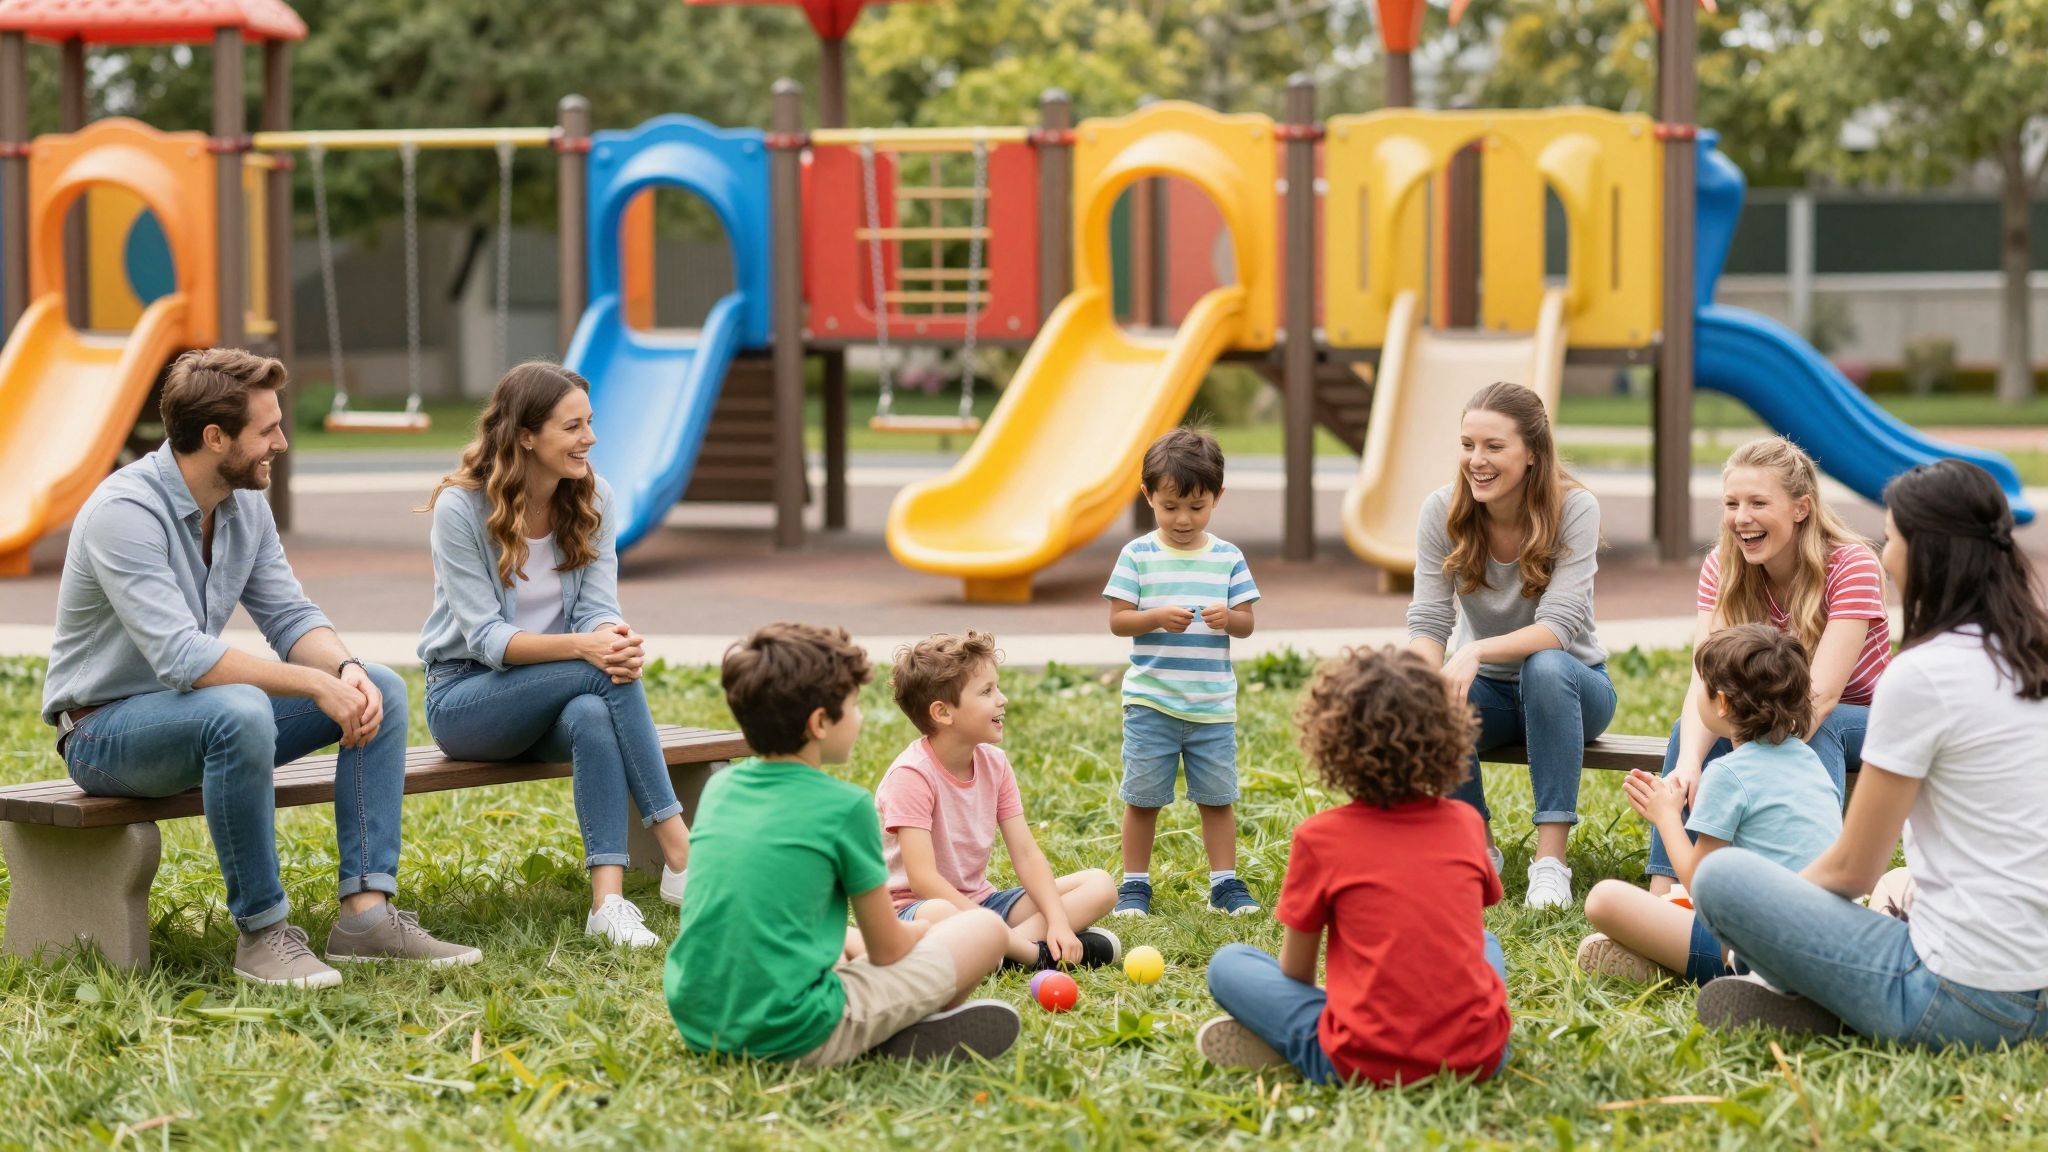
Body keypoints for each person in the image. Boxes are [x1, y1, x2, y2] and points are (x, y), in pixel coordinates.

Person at [42, 348, 477, 988]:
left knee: (377, 685)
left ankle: (365, 915)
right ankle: (263, 934)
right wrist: (313, 685)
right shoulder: (123, 513)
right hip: (106, 734)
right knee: (240, 709)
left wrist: (345, 668)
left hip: (197, 716)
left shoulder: (243, 506)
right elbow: (182, 657)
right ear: (215, 437)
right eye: (267, 429)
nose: (281, 440)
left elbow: (291, 616)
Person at [1690, 460, 2048, 1045]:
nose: (1885, 553)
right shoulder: (2033, 656)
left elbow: (1853, 867)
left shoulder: (1922, 675)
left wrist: (1768, 922)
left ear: (1924, 552)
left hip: (1958, 997)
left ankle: (1820, 995)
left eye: (1893, 536)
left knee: (1724, 879)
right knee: (1901, 887)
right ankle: (1838, 998)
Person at [419, 362, 690, 949]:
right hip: (467, 699)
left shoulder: (593, 497)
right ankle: (681, 850)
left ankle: (608, 903)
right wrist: (586, 649)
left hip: (559, 696)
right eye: (573, 427)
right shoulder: (461, 509)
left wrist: (611, 637)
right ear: (525, 435)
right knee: (597, 674)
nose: (589, 439)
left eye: (589, 424)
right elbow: (487, 639)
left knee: (596, 705)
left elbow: (596, 607)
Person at [666, 623, 1018, 1065]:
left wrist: (853, 945)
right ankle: (888, 1033)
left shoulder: (720, 790)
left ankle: (887, 1024)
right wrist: (928, 930)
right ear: (819, 723)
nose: (860, 717)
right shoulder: (845, 807)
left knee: (848, 942)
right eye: (853, 706)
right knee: (982, 929)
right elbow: (890, 948)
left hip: (700, 1020)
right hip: (796, 1034)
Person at [1196, 646, 1510, 1085]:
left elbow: (1297, 975)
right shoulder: (1465, 823)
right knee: (1487, 943)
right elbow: (1464, 930)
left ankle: (1295, 1044)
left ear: (1330, 742)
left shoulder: (1320, 837)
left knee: (1228, 963)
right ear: (1448, 734)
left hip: (1360, 1063)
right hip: (1479, 1059)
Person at [1647, 437, 1887, 897]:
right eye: (1732, 503)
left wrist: (1748, 764)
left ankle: (1815, 886)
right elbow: (1707, 677)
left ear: (1801, 508)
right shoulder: (1722, 565)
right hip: (1771, 713)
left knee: (1826, 724)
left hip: (1859, 716)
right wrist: (1691, 762)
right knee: (1690, 727)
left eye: (1758, 502)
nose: (1741, 517)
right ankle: (1667, 890)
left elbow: (1822, 696)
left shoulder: (1851, 564)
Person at [1408, 381, 1611, 909]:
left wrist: (1473, 651)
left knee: (1545, 665)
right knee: (1430, 694)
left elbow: (1559, 628)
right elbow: (1429, 620)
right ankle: (1478, 854)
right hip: (1492, 695)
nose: (1477, 460)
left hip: (1573, 687)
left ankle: (1551, 864)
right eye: (1468, 444)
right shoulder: (1442, 511)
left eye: (1494, 447)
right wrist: (1421, 687)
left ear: (1532, 456)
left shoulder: (1576, 508)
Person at [1578, 624, 1840, 984]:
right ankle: (1665, 958)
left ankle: (1682, 966)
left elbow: (1704, 884)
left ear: (1723, 703)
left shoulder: (1728, 774)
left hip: (1763, 952)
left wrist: (1666, 816)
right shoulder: (1809, 760)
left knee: (1603, 899)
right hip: (1828, 941)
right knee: (1673, 907)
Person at [879, 630, 1121, 969]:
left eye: (998, 687)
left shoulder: (995, 763)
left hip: (983, 903)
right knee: (940, 913)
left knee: (1100, 885)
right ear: (943, 713)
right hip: (918, 912)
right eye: (987, 691)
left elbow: (1025, 853)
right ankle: (1030, 954)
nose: (1002, 699)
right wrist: (990, 926)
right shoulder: (911, 775)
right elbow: (923, 880)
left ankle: (996, 955)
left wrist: (1059, 921)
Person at [1104, 428, 1261, 918]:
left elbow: (1248, 625)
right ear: (1148, 495)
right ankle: (1134, 885)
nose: (1183, 519)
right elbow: (1118, 621)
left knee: (1217, 798)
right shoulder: (1137, 556)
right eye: (1170, 506)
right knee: (1143, 798)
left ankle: (1225, 884)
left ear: (1216, 497)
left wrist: (1228, 619)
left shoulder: (1228, 557)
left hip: (1211, 706)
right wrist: (1155, 616)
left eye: (1196, 507)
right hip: (1151, 701)